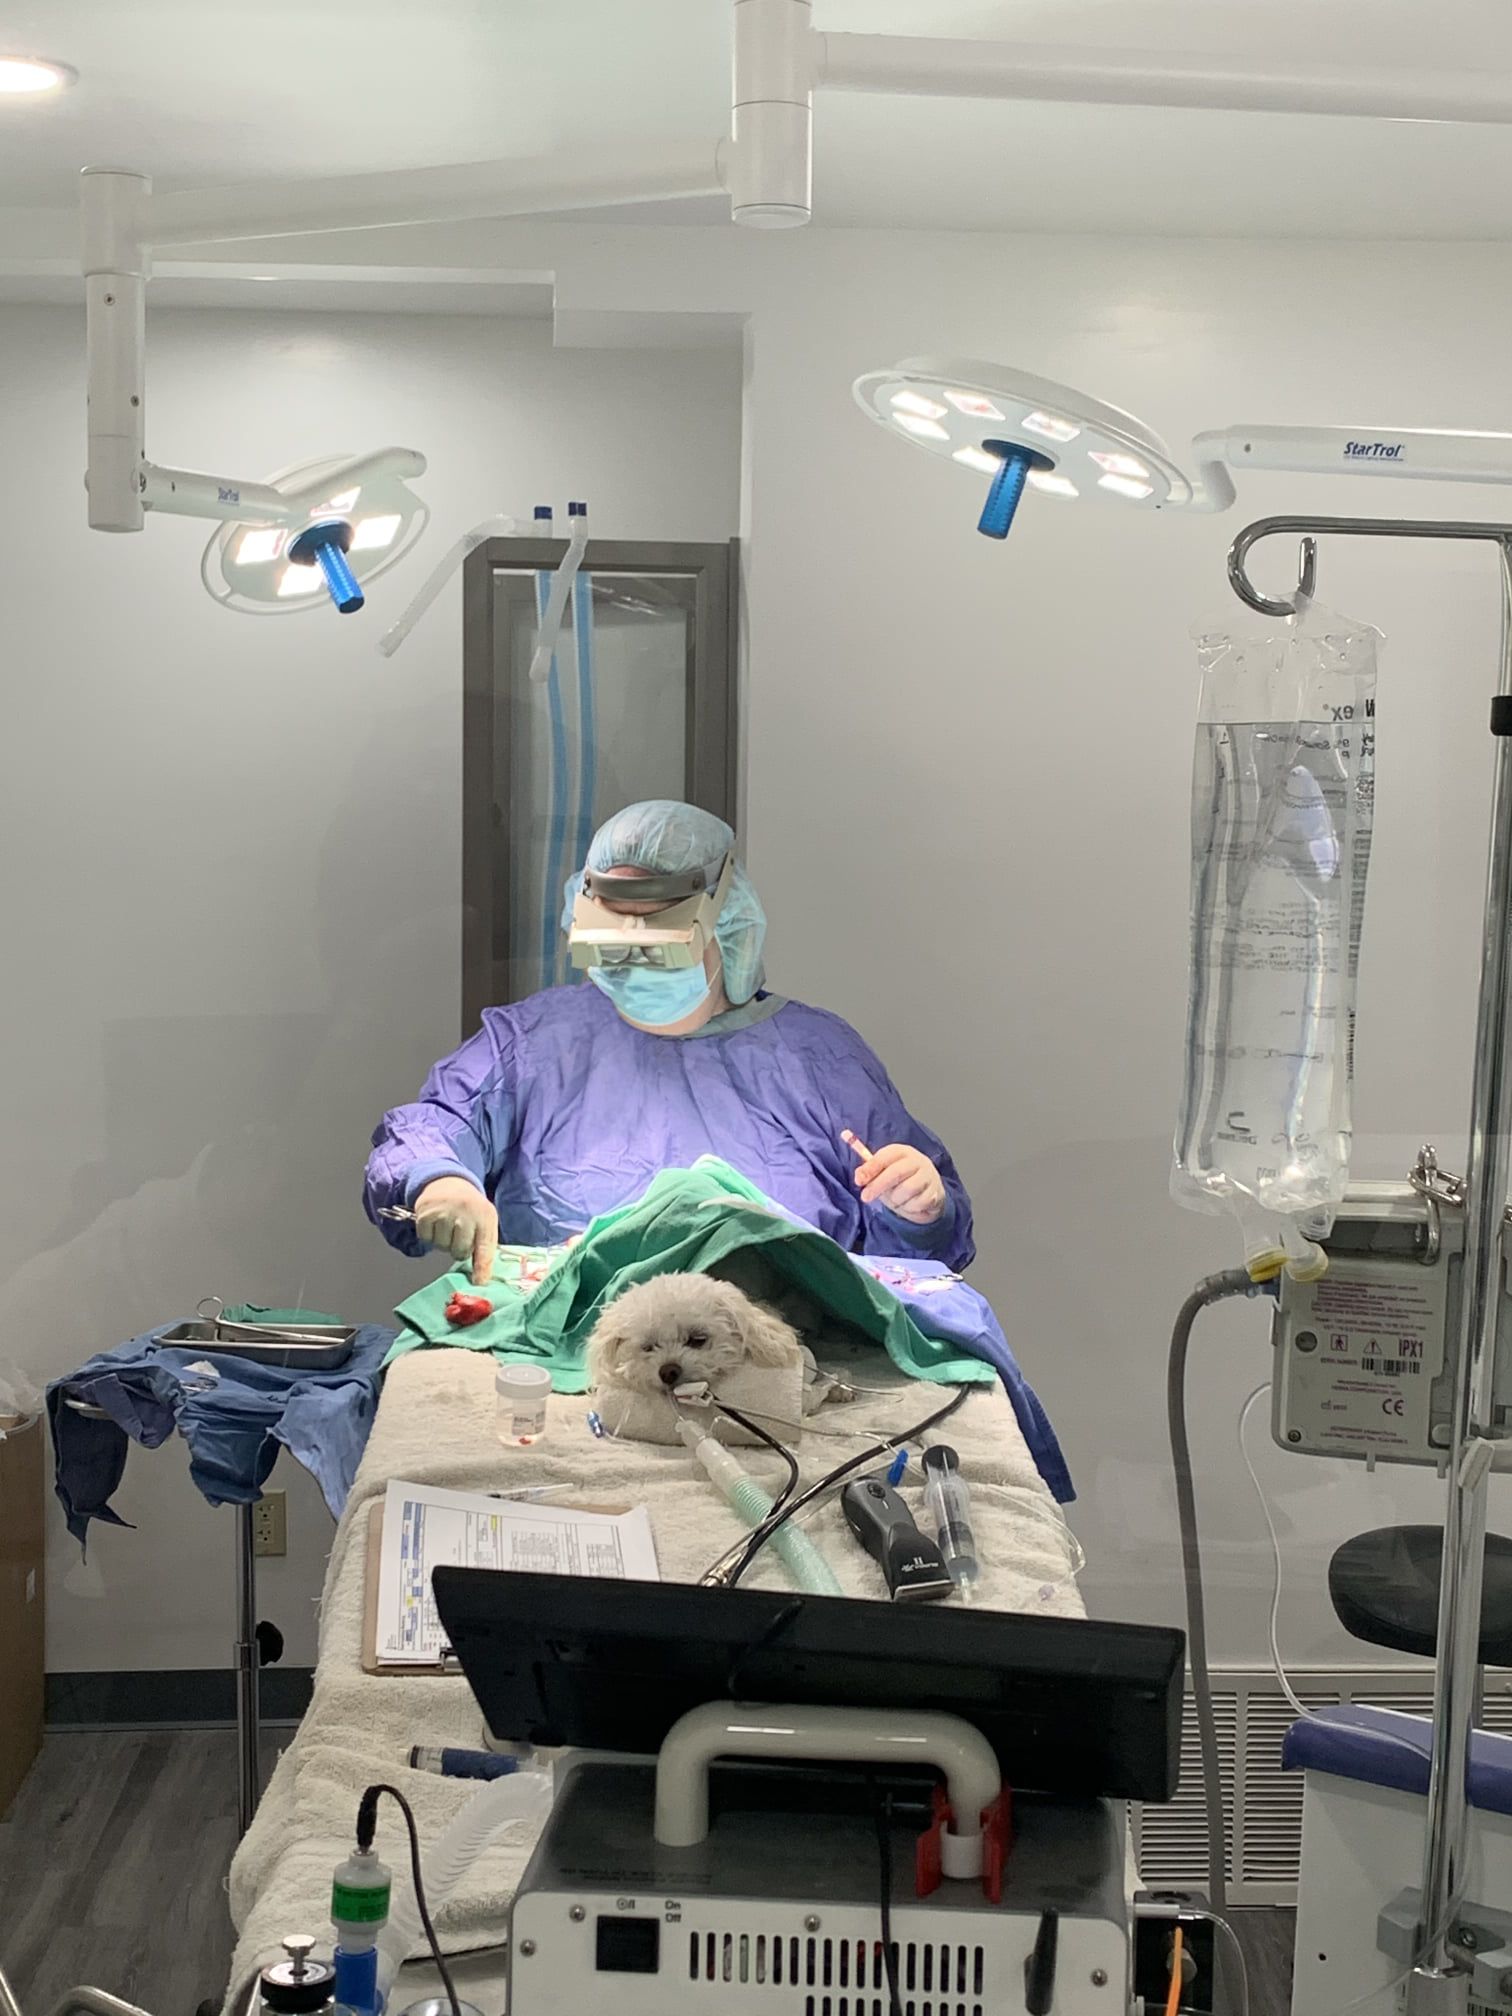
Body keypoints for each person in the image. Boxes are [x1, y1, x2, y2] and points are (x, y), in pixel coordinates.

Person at [365, 801, 973, 1285]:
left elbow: (918, 1256)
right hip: (562, 1357)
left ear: (726, 925)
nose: (631, 967)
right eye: (608, 950)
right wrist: (437, 1180)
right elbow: (432, 1127)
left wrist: (919, 1207)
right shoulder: (535, 1045)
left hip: (781, 1359)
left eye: (659, 949)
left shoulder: (818, 1059)